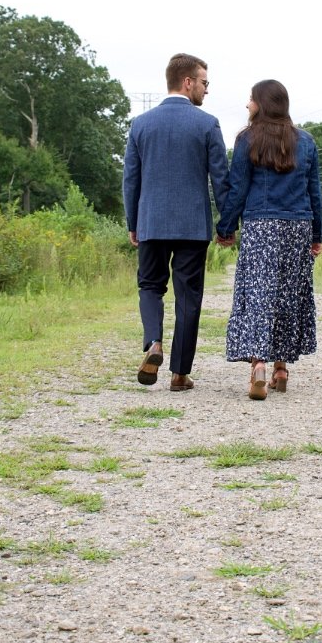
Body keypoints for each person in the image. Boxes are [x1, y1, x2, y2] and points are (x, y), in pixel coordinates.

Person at [122, 53, 231, 391]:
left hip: (151, 221)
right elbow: (220, 178)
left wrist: (133, 222)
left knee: (150, 286)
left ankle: (153, 343)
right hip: (191, 226)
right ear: (188, 82)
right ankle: (179, 375)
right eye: (204, 82)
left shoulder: (141, 125)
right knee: (188, 297)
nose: (206, 90)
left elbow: (130, 179)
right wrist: (226, 223)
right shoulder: (207, 124)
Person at [216, 79, 322, 400]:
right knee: (288, 294)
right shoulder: (306, 142)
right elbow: (314, 193)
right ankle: (281, 367)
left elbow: (237, 189)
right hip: (297, 226)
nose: (247, 105)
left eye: (250, 100)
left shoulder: (247, 140)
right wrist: (317, 234)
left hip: (261, 226)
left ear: (262, 104)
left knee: (260, 293)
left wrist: (225, 228)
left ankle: (259, 365)